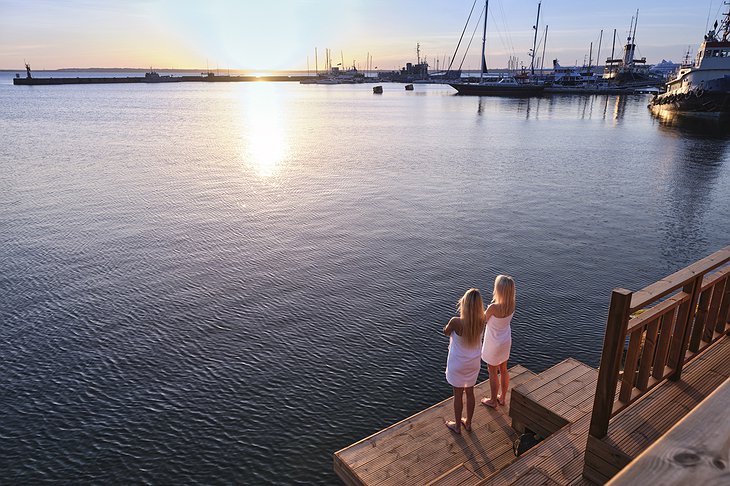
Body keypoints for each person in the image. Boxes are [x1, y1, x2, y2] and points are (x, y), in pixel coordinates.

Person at [443, 288, 486, 434]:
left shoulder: (456, 322)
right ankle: (468, 422)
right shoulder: (482, 322)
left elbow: (446, 332)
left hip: (457, 364)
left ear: (464, 304)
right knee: (470, 392)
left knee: (458, 395)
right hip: (473, 363)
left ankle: (457, 427)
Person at [481, 275, 516, 408]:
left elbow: (483, 319)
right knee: (504, 368)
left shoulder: (493, 307)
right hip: (505, 340)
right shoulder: (512, 304)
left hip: (494, 343)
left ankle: (493, 401)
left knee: (492, 371)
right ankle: (502, 397)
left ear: (498, 290)